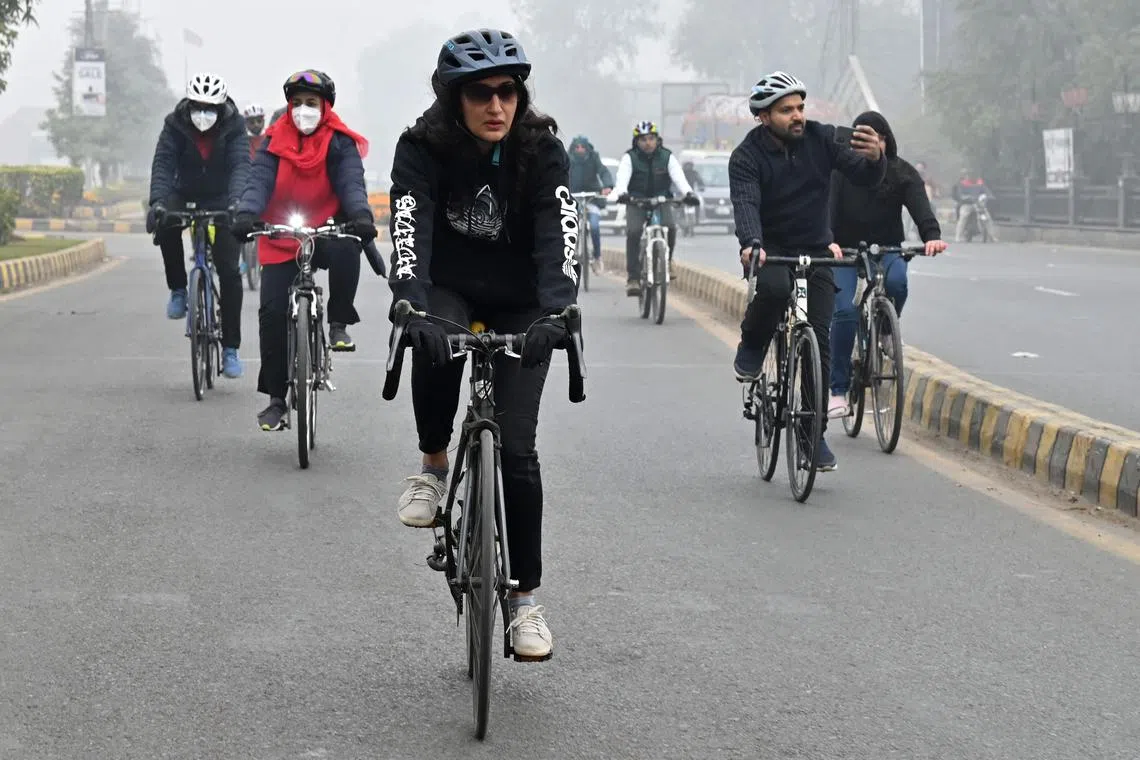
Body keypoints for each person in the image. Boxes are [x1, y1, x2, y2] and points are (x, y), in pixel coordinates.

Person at [387, 28, 578, 660]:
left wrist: (559, 309)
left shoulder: (543, 151)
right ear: (453, 98)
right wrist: (409, 296)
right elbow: (408, 227)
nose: (497, 106)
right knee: (433, 336)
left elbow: (560, 235)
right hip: (451, 291)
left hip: (524, 300)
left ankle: (524, 599)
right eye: (481, 94)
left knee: (519, 453)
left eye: (508, 92)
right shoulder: (420, 148)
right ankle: (435, 466)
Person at [729, 71, 885, 473]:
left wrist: (875, 159)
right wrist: (752, 244)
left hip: (817, 248)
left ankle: (811, 437)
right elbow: (746, 203)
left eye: (800, 107)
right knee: (776, 290)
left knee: (820, 336)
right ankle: (752, 344)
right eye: (786, 110)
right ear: (763, 117)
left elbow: (864, 176)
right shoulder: (746, 157)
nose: (797, 116)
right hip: (772, 248)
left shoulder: (823, 138)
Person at [230, 69, 378, 431]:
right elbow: (258, 180)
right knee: (271, 312)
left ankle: (339, 323)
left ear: (325, 106)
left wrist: (359, 215)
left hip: (328, 227)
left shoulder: (339, 141)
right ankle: (277, 400)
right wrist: (247, 213)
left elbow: (350, 181)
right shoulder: (272, 140)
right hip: (281, 232)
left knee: (348, 248)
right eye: (296, 103)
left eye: (311, 103)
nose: (303, 110)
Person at [826, 110, 947, 420]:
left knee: (897, 282)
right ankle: (837, 390)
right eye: (863, 139)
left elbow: (921, 208)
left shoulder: (901, 172)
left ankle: (884, 331)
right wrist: (828, 240)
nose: (871, 146)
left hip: (887, 247)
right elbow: (827, 209)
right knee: (843, 310)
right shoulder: (840, 173)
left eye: (876, 139)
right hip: (845, 251)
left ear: (886, 141)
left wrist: (932, 236)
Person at [146, 72, 249, 379]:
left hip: (221, 197)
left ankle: (230, 348)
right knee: (165, 224)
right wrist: (158, 202)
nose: (203, 114)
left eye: (210, 108)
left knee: (229, 271)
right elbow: (163, 163)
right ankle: (179, 289)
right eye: (197, 106)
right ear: (188, 104)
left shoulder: (235, 126)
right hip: (184, 192)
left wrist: (237, 203)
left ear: (221, 108)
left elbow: (241, 166)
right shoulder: (174, 124)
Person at [611, 121, 700, 295]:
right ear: (636, 141)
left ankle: (668, 261)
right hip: (636, 200)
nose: (648, 143)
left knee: (670, 226)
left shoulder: (667, 157)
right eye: (643, 139)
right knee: (634, 232)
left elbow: (679, 179)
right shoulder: (630, 158)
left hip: (662, 199)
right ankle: (633, 278)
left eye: (651, 138)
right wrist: (622, 194)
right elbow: (622, 179)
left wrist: (689, 193)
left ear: (657, 140)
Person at [567, 135, 613, 273]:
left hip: (592, 198)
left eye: (582, 147)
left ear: (587, 148)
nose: (580, 149)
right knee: (569, 227)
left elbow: (604, 172)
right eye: (577, 147)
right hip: (573, 198)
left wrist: (607, 186)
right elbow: (560, 174)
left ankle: (597, 257)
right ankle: (568, 258)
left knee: (594, 226)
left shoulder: (594, 158)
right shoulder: (568, 159)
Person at [952, 169, 991, 241]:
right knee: (963, 217)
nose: (972, 177)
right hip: (967, 204)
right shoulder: (962, 184)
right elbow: (959, 195)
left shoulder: (980, 183)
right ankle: (957, 236)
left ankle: (992, 236)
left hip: (978, 204)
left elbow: (986, 192)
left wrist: (988, 196)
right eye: (970, 176)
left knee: (987, 217)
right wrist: (964, 197)